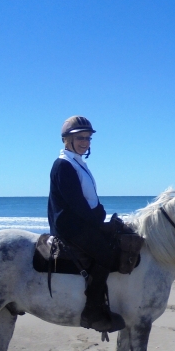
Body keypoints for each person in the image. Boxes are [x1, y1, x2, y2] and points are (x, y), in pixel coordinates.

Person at [48, 116, 125, 333]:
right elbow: (77, 205)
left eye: (88, 138)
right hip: (71, 226)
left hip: (83, 222)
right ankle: (91, 312)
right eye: (80, 138)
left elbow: (88, 199)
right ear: (66, 140)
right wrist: (99, 216)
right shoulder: (63, 165)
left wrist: (98, 213)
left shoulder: (78, 163)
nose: (85, 142)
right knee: (106, 255)